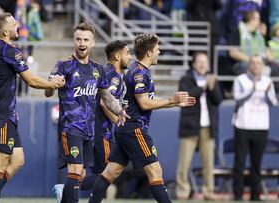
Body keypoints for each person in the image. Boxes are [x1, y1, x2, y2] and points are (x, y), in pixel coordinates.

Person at [88, 33, 196, 203]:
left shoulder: (137, 70)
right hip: (134, 129)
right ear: (149, 53)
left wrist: (174, 103)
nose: (159, 52)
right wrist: (171, 100)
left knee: (110, 173)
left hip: (124, 129)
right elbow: (144, 103)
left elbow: (145, 102)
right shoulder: (139, 73)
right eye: (157, 49)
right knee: (155, 171)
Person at [0, 13, 65, 203]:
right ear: (5, 31)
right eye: (15, 24)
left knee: (17, 160)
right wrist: (52, 84)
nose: (18, 26)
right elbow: (30, 80)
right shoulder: (9, 51)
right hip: (1, 113)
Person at [45, 22, 129, 203]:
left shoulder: (98, 69)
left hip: (89, 131)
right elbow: (47, 91)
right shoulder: (63, 65)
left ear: (92, 43)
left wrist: (119, 111)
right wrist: (53, 85)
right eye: (78, 39)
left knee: (81, 174)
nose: (81, 43)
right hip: (70, 127)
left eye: (86, 39)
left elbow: (106, 97)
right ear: (74, 41)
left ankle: (63, 195)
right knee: (74, 171)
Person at [175, 52, 223, 200]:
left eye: (205, 62)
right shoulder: (186, 79)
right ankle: (182, 191)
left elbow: (218, 100)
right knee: (184, 162)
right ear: (193, 64)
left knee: (208, 163)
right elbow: (186, 96)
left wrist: (212, 87)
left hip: (208, 127)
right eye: (200, 62)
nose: (203, 65)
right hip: (190, 126)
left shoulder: (211, 80)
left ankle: (208, 191)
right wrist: (203, 87)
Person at [232, 55, 277, 201]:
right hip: (243, 125)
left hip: (261, 126)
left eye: (258, 63)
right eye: (253, 63)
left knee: (256, 164)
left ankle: (255, 196)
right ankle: (238, 195)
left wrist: (267, 91)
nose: (255, 66)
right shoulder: (240, 79)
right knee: (239, 163)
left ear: (263, 66)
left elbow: (273, 103)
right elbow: (237, 98)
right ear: (249, 65)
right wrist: (252, 89)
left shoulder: (267, 81)